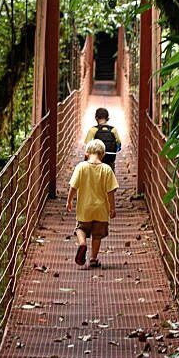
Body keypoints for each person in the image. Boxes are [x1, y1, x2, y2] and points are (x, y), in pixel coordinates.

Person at [67, 139, 118, 268]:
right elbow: (110, 191)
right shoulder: (107, 169)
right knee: (97, 235)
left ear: (86, 153)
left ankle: (82, 243)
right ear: (103, 155)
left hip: (85, 209)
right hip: (101, 210)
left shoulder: (81, 167)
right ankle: (93, 258)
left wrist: (69, 201)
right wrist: (112, 208)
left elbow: (73, 187)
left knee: (80, 228)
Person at [84, 107, 121, 172]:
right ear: (107, 118)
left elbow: (88, 146)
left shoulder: (92, 130)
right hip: (110, 158)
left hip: (96, 158)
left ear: (96, 118)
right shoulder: (113, 130)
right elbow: (119, 144)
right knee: (110, 172)